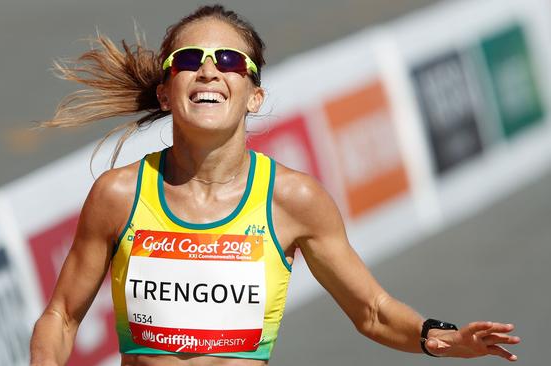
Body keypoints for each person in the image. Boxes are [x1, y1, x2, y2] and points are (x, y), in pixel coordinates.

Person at [29, 4, 520, 366]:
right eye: (188, 59)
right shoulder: (119, 195)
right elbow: (62, 317)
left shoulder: (293, 200)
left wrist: (439, 336)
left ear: (255, 95)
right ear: (165, 90)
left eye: (227, 60)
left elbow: (372, 310)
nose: (207, 70)